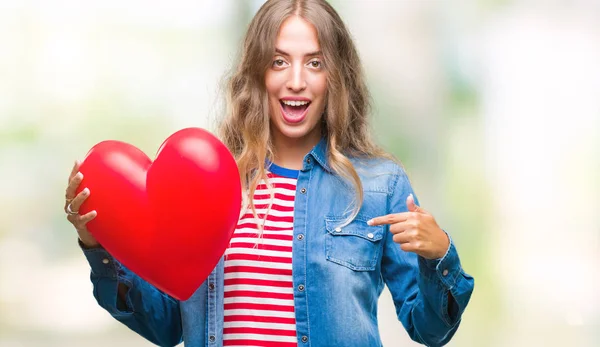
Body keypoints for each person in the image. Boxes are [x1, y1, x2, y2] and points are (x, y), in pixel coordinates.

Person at [64, 1, 474, 346]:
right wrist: (97, 243)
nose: (296, 81)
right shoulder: (207, 185)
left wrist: (439, 254)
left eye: (314, 63)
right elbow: (167, 324)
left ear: (336, 77)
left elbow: (430, 330)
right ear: (258, 73)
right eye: (279, 62)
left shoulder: (380, 186)